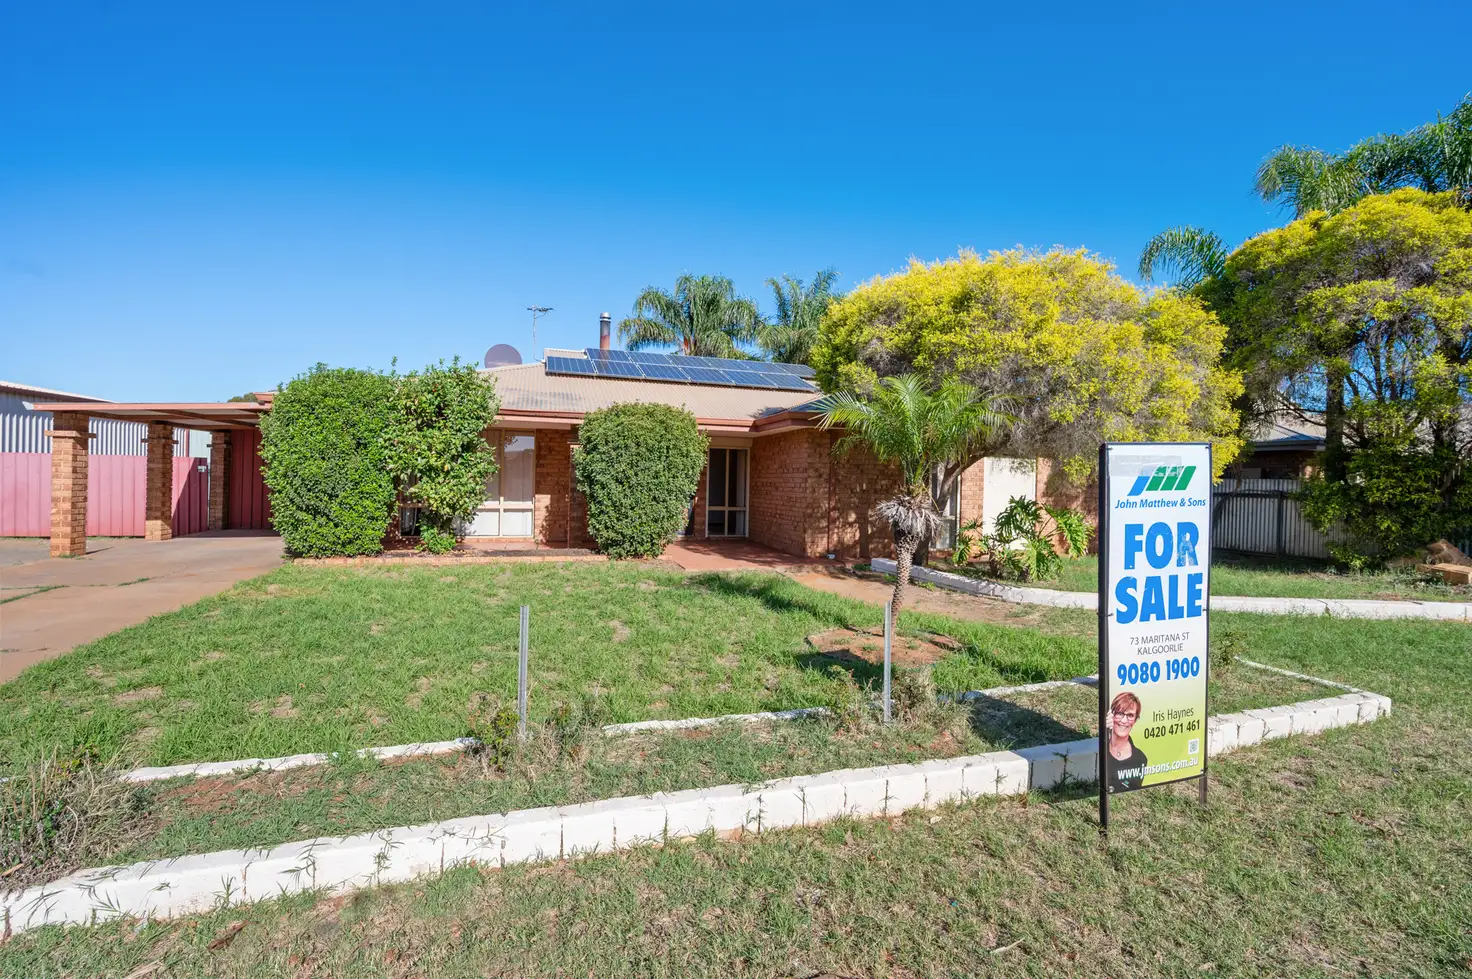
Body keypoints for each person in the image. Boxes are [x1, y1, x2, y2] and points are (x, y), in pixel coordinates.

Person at [1105, 691, 1149, 793]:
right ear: (1111, 715)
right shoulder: (1100, 746)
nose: (1124, 721)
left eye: (1130, 715)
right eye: (1120, 713)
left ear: (1135, 719)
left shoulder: (1140, 759)